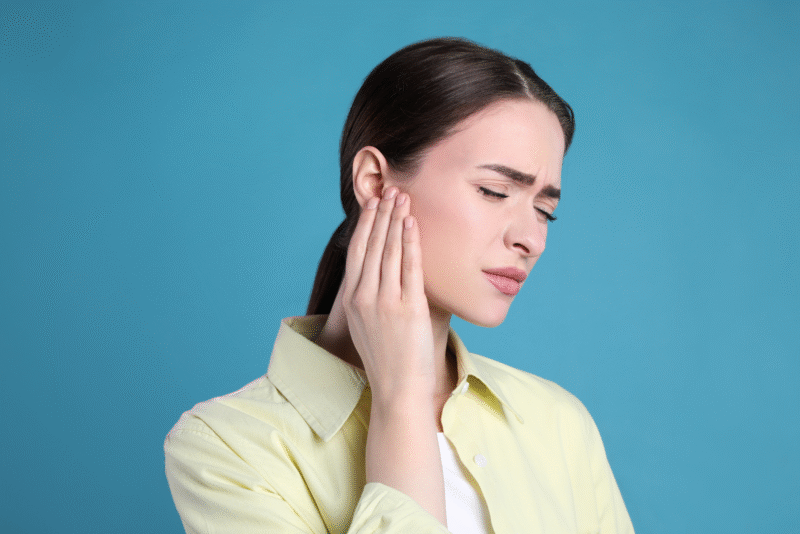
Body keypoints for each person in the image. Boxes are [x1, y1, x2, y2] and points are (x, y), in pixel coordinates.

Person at [164, 37, 635, 534]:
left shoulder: (557, 422)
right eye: (494, 192)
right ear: (374, 182)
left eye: (545, 211)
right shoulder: (226, 448)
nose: (531, 239)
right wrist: (403, 398)